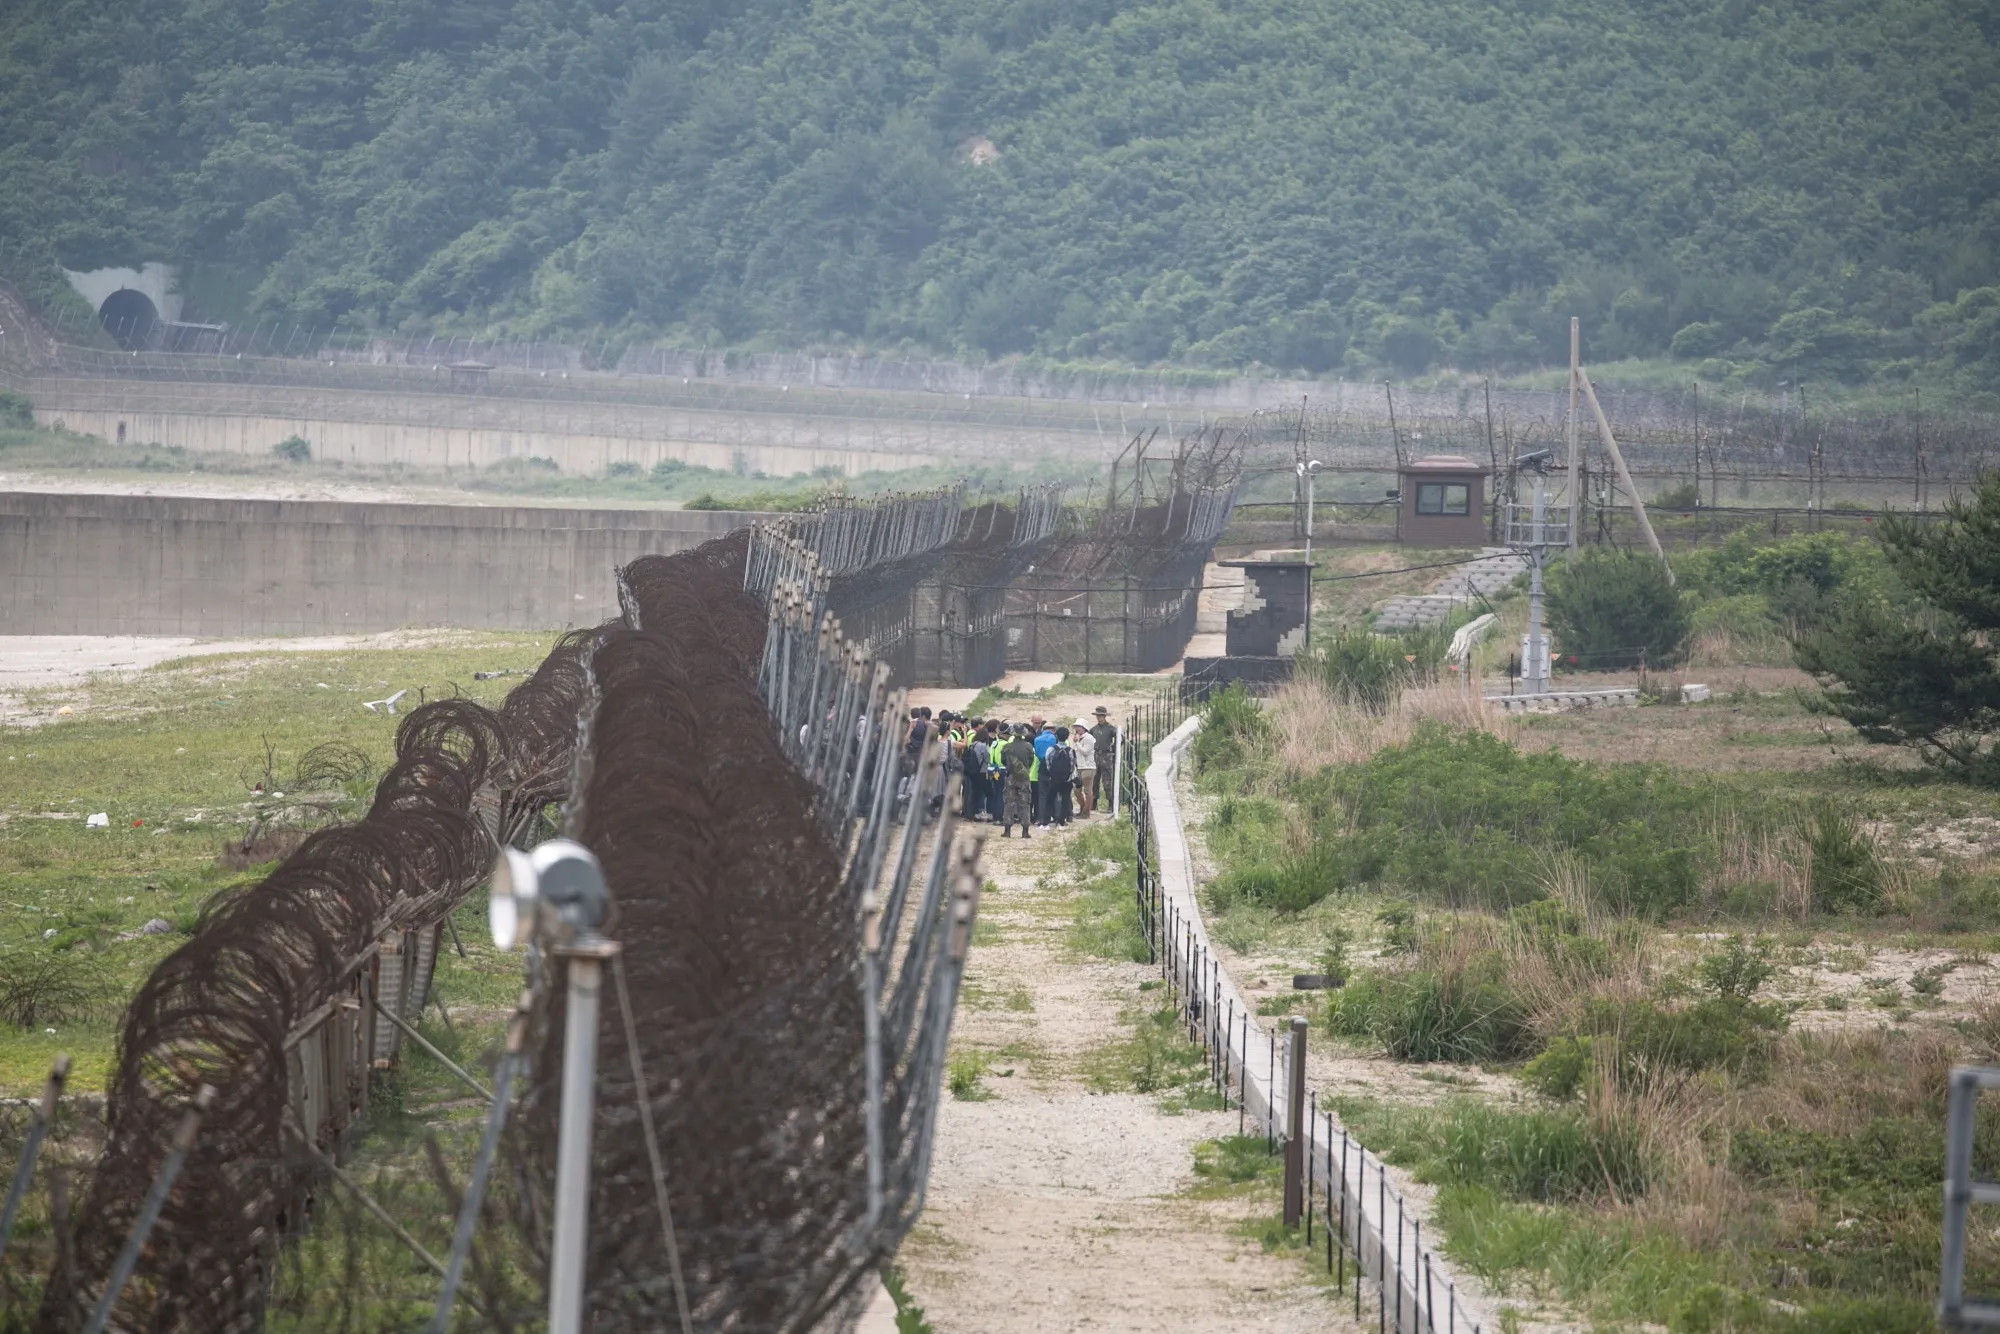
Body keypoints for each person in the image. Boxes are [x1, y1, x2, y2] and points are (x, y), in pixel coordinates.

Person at [1001, 724, 1037, 837]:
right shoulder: (1029, 746)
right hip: (1024, 777)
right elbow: (1031, 761)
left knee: (1009, 803)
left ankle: (1007, 830)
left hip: (1010, 776)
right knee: (1025, 803)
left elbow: (1003, 761)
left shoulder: (1007, 747)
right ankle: (1025, 831)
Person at [1089, 706, 1119, 815]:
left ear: (1105, 716)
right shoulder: (1094, 729)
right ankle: (1094, 802)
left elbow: (1121, 738)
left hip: (1106, 756)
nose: (1099, 718)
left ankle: (1110, 803)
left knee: (1107, 781)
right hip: (1096, 755)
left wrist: (1113, 748)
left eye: (1101, 716)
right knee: (1094, 781)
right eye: (1098, 716)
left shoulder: (1110, 728)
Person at [1044, 725, 1076, 825]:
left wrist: (1052, 774)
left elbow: (1048, 763)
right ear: (1067, 737)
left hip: (1053, 779)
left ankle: (1046, 820)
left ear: (1056, 736)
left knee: (1049, 800)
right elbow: (1072, 766)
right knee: (1065, 800)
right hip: (1066, 780)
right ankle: (1061, 821)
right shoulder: (1070, 751)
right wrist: (1068, 776)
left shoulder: (1051, 749)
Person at [1030, 719, 1058, 827]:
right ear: (1053, 730)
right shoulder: (1054, 738)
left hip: (1041, 765)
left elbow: (1036, 752)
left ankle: (1040, 818)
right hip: (1052, 765)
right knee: (1054, 792)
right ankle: (1055, 817)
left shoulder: (1037, 739)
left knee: (1042, 795)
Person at [1071, 717, 1097, 817]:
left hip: (1088, 767)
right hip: (1079, 767)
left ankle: (1087, 811)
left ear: (1083, 728)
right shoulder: (1078, 738)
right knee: (1076, 790)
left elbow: (1085, 751)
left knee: (1087, 790)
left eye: (1078, 727)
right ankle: (1083, 807)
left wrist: (1077, 743)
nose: (1076, 729)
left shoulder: (1089, 738)